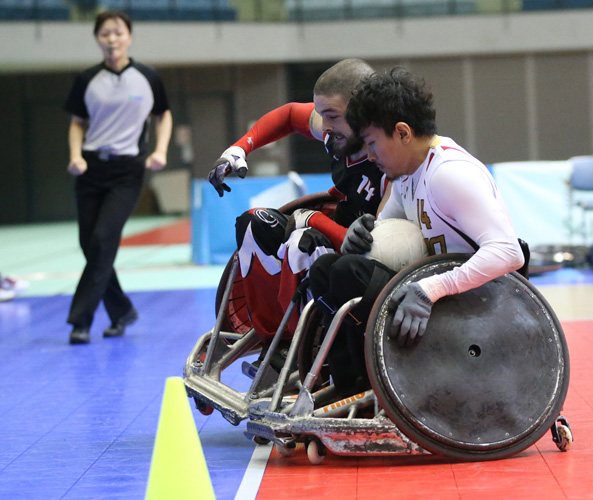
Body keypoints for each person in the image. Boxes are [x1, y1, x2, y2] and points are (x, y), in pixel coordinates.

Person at [308, 67, 527, 396]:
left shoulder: (449, 174)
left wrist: (430, 290)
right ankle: (351, 386)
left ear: (402, 133)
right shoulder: (406, 174)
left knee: (348, 273)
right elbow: (384, 238)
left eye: (371, 143)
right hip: (440, 299)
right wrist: (361, 235)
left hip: (481, 306)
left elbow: (510, 253)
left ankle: (377, 390)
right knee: (328, 268)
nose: (368, 155)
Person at [207, 58, 390, 346]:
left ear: (365, 111)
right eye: (321, 115)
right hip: (338, 232)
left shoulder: (391, 160)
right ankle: (274, 343)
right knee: (254, 223)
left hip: (365, 259)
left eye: (332, 116)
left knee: (304, 242)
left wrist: (312, 218)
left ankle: (308, 347)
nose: (325, 127)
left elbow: (381, 250)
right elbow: (291, 114)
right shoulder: (339, 131)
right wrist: (239, 148)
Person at [64, 10, 172, 344]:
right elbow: (77, 122)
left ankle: (80, 320)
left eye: (118, 32)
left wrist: (160, 151)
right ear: (98, 39)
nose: (112, 39)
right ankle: (122, 309)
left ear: (129, 36)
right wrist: (75, 156)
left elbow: (163, 115)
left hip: (127, 171)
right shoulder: (87, 79)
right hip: (91, 169)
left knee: (102, 239)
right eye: (105, 34)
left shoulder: (147, 76)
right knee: (90, 244)